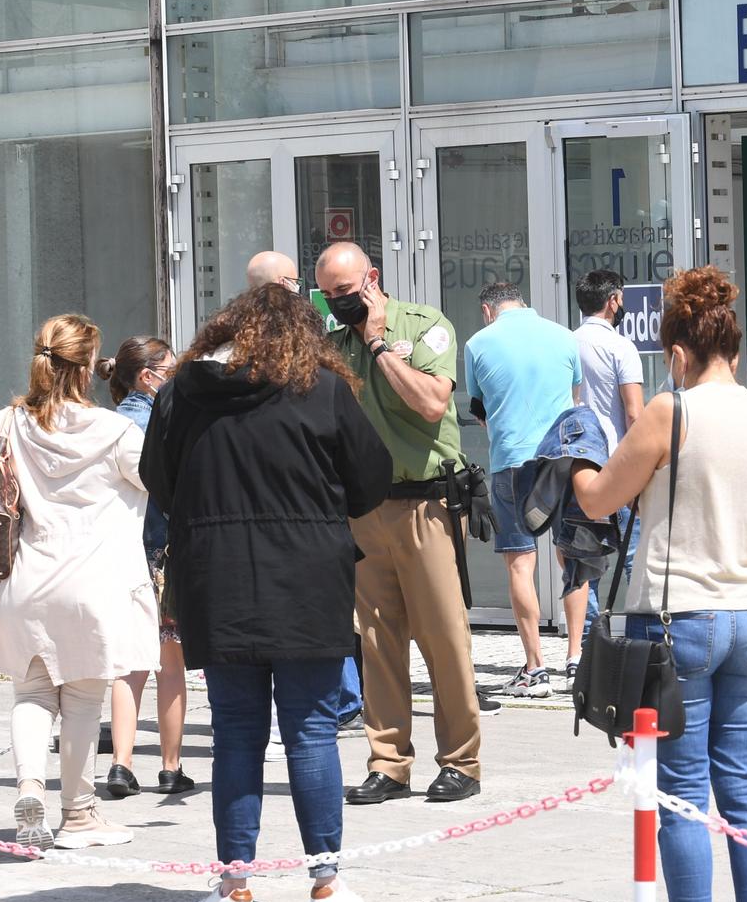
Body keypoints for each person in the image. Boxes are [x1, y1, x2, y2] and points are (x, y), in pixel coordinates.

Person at [572, 267, 747, 902]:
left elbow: (602, 497)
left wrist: (575, 459)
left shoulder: (671, 413)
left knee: (681, 793)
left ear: (676, 352)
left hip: (681, 623)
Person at [142, 283, 392, 902]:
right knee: (310, 733)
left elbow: (157, 482)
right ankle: (326, 886)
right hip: (308, 579)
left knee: (235, 733)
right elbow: (370, 481)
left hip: (217, 580)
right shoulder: (325, 391)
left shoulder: (180, 395)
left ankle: (235, 890)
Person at [0, 314, 158, 852]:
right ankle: (77, 814)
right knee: (81, 701)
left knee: (30, 693)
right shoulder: (116, 430)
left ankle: (30, 784)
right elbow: (158, 480)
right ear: (88, 366)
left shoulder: (6, 422)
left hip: (28, 576)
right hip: (96, 582)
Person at [317, 242, 485, 806]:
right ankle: (388, 762)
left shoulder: (426, 325)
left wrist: (380, 344)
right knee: (377, 641)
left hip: (428, 506)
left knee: (443, 637)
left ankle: (461, 761)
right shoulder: (332, 345)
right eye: (329, 296)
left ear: (372, 281)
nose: (339, 304)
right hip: (364, 511)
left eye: (346, 293)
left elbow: (432, 404)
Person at [244, 247, 363, 727]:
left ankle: (344, 698)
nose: (306, 293)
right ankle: (345, 699)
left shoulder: (220, 357)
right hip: (309, 518)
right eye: (296, 282)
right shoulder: (313, 359)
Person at [464, 280, 583, 698]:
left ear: (487, 310)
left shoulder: (479, 343)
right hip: (563, 460)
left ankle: (536, 668)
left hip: (512, 462)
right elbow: (573, 396)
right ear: (524, 303)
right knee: (573, 556)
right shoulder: (565, 336)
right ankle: (575, 660)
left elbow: (478, 409)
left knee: (520, 564)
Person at [94, 337, 193, 798]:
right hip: (167, 554)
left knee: (126, 665)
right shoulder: (165, 421)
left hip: (122, 555)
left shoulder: (107, 424)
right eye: (170, 369)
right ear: (147, 375)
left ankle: (120, 764)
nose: (175, 376)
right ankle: (171, 767)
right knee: (169, 665)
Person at [573, 269, 645, 651]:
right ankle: (644, 637)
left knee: (586, 562)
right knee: (635, 556)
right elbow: (634, 413)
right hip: (618, 466)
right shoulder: (621, 347)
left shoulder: (567, 343)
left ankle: (590, 648)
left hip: (581, 466)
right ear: (614, 299)